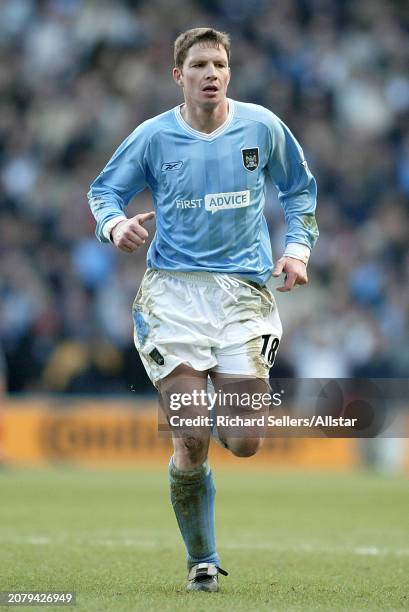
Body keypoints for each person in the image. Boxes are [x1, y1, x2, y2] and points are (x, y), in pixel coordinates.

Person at [88, 27, 318, 592]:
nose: (210, 73)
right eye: (198, 66)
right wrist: (114, 225)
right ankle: (203, 562)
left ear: (229, 73)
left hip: (242, 295)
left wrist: (296, 248)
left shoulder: (262, 127)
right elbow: (103, 192)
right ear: (179, 76)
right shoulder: (153, 137)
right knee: (190, 430)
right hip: (172, 295)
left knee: (242, 441)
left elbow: (300, 191)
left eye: (218, 64)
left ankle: (218, 410)